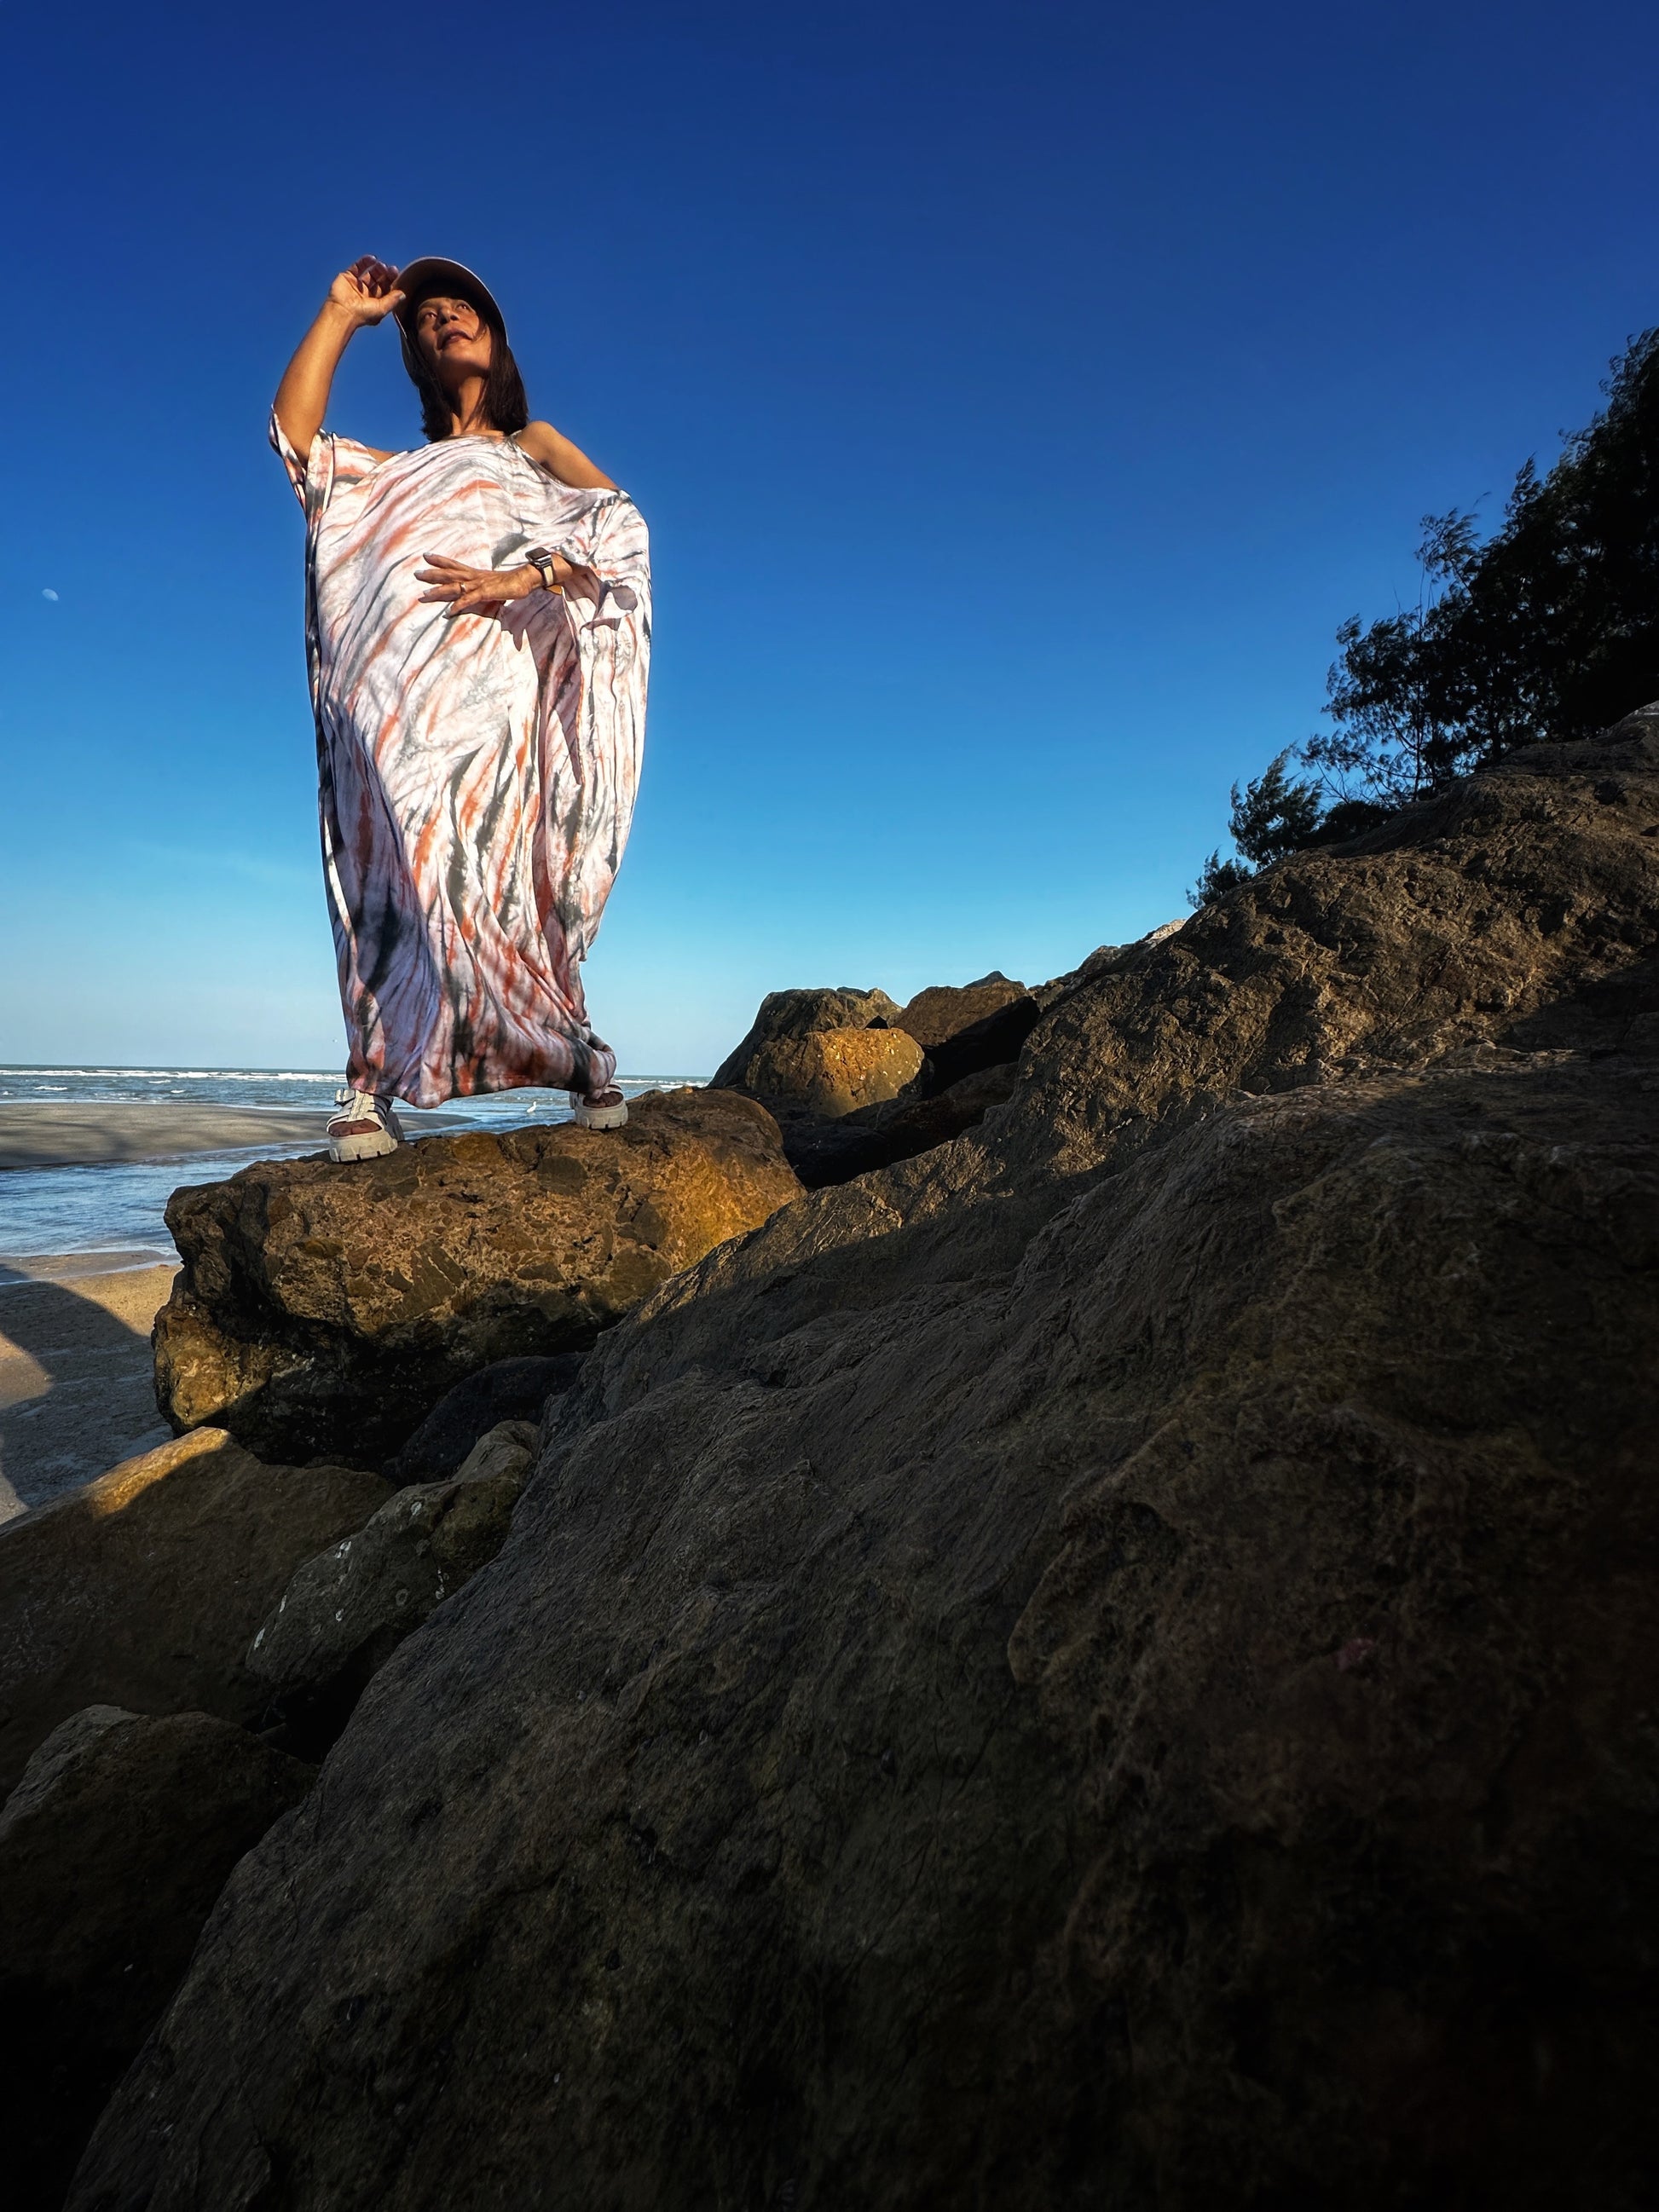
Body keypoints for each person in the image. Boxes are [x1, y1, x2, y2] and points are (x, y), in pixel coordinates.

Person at [271, 255, 650, 1162]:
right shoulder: (390, 473)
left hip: (502, 692)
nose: (445, 319)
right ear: (413, 352)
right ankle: (372, 1079)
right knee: (391, 870)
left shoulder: (534, 448)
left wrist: (525, 575)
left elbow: (621, 531)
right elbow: (296, 441)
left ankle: (576, 1051)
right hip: (399, 700)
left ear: (494, 335)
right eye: (429, 316)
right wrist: (339, 314)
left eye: (462, 308)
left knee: (510, 865)